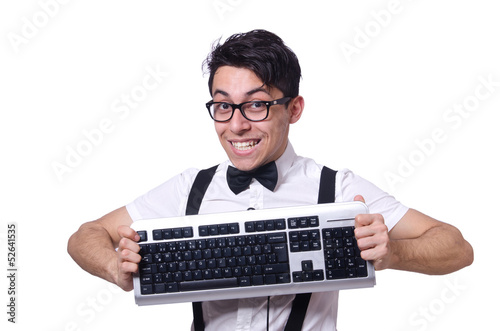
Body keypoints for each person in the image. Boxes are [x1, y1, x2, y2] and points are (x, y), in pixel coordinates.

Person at [67, 29, 473, 330]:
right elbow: (85, 235)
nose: (237, 125)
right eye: (223, 107)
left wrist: (392, 254)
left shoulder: (339, 189)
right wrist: (114, 267)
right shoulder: (189, 188)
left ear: (293, 108)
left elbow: (457, 248)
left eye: (257, 105)